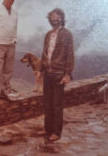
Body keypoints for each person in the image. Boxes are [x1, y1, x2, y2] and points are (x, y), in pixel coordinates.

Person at [36, 8, 75, 141]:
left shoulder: (67, 34)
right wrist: (40, 70)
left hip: (59, 73)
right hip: (48, 73)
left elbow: (70, 55)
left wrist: (68, 74)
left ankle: (56, 132)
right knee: (47, 103)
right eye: (52, 16)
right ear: (49, 19)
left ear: (61, 19)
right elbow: (44, 54)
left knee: (57, 104)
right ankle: (48, 130)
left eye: (57, 16)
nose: (54, 18)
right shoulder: (48, 34)